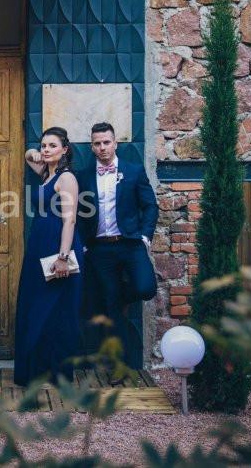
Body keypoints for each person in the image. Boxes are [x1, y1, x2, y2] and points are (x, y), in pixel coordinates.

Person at [76, 122, 159, 373]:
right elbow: (78, 213)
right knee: (111, 309)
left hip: (130, 243)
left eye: (106, 142)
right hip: (100, 249)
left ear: (115, 143)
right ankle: (119, 365)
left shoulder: (134, 171)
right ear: (91, 146)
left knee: (145, 287)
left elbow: (150, 206)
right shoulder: (83, 176)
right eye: (97, 143)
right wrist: (84, 245)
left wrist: (145, 237)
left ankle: (121, 293)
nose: (102, 148)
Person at [14, 127, 84, 386]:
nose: (44, 150)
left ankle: (57, 374)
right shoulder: (46, 173)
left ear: (65, 149)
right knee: (35, 306)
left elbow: (70, 219)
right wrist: (41, 155)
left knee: (56, 311)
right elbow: (27, 154)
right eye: (43, 145)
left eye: (52, 146)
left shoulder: (66, 178)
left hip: (59, 244)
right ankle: (37, 370)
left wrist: (63, 257)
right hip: (39, 244)